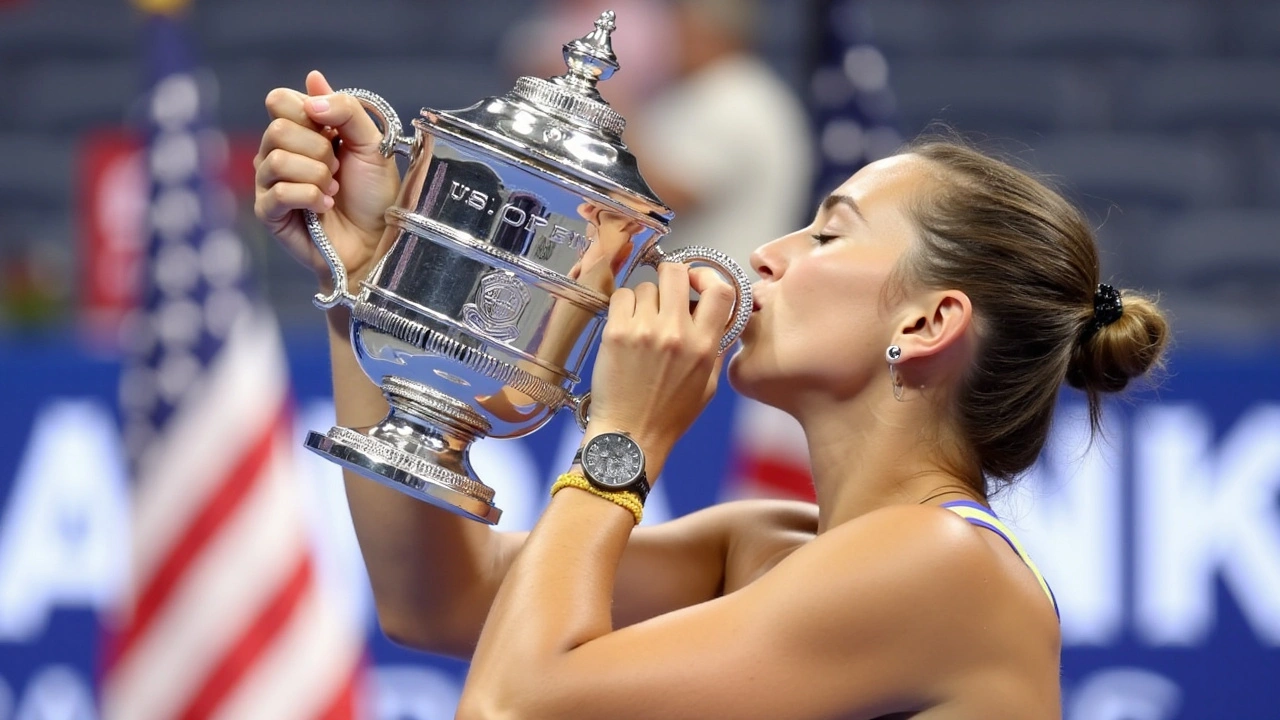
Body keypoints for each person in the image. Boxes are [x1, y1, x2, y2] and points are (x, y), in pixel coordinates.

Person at [254, 70, 1169, 718]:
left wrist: (624, 439)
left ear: (929, 324)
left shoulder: (947, 565)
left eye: (826, 234)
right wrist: (378, 283)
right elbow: (438, 600)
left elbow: (513, 707)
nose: (770, 251)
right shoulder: (768, 543)